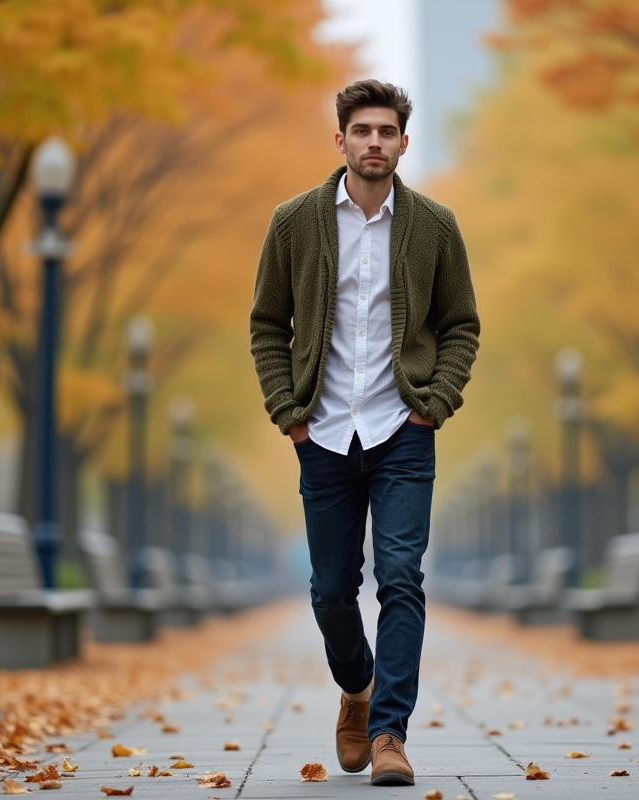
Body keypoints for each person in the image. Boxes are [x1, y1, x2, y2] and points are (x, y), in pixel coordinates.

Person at [249, 79, 480, 787]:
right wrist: (289, 413)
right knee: (329, 589)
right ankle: (357, 686)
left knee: (403, 579)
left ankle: (389, 735)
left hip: (403, 430)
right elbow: (267, 325)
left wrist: (434, 403)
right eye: (362, 130)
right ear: (341, 139)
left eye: (386, 131)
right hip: (321, 432)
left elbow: (461, 326)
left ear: (404, 143)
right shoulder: (294, 223)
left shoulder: (435, 226)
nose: (374, 141)